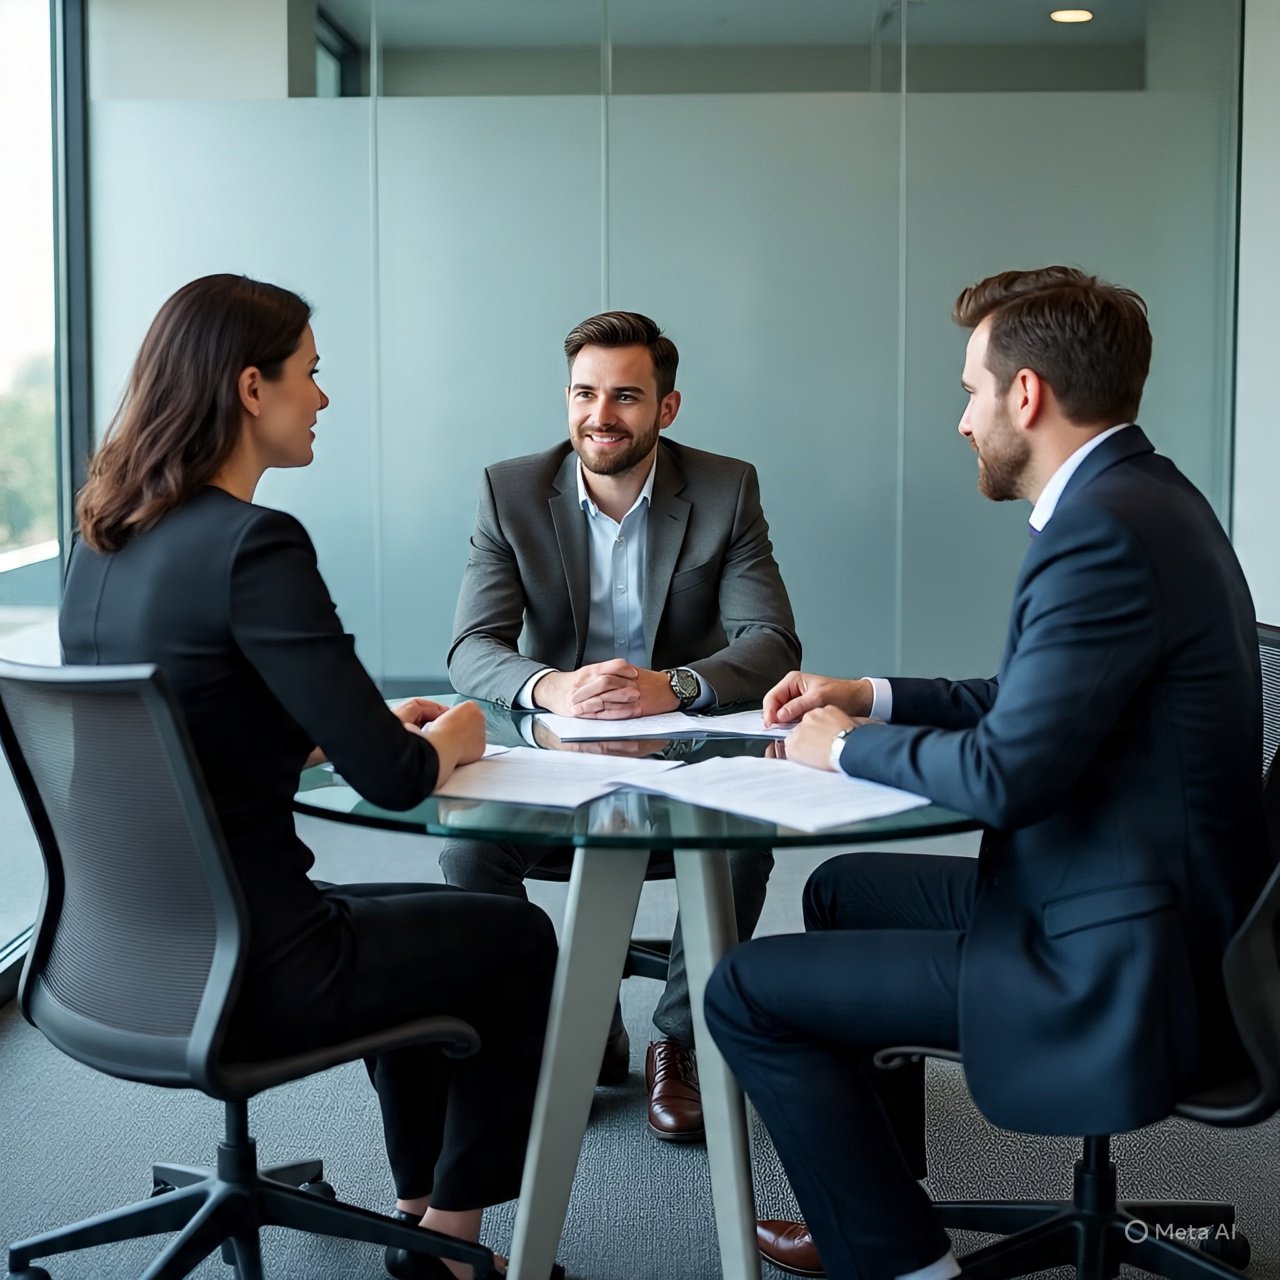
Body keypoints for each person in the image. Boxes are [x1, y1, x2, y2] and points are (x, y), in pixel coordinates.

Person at [703, 266, 1272, 1280]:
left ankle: (900, 1264)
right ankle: (883, 1204)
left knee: (745, 991)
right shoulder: (1143, 494)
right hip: (1149, 897)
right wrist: (869, 694)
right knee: (838, 888)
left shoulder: (1100, 529)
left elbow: (1007, 771)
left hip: (1120, 957)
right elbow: (1033, 702)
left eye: (969, 389)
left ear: (1025, 395)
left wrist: (835, 746)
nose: (962, 418)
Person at [60, 274, 561, 1280]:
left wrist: (334, 728)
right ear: (252, 388)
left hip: (123, 953)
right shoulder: (256, 543)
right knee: (511, 937)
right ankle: (453, 1248)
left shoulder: (105, 541)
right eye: (310, 374)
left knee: (423, 928)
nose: (322, 398)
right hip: (259, 960)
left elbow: (182, 724)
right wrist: (458, 729)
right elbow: (396, 779)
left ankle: (418, 1205)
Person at [443, 310, 800, 1141]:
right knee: (467, 848)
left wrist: (671, 686)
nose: (601, 415)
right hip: (553, 753)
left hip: (684, 749)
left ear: (666, 409)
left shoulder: (725, 488)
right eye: (584, 393)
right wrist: (552, 686)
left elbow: (773, 641)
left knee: (745, 836)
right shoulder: (511, 489)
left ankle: (679, 1040)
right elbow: (473, 647)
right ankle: (561, 1016)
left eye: (627, 396)